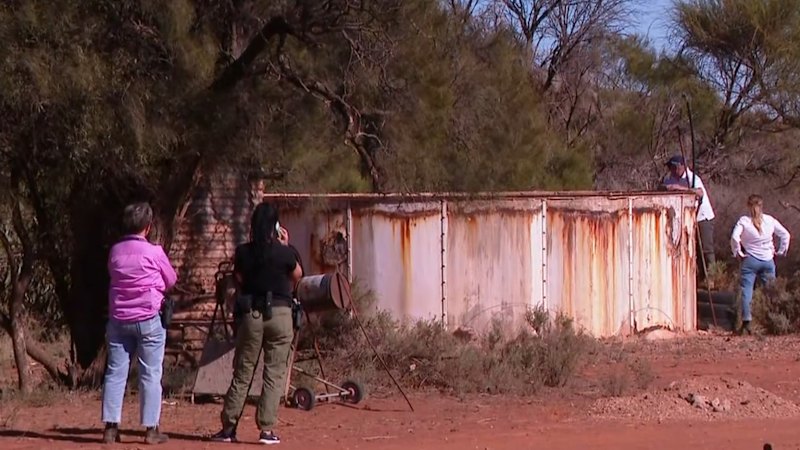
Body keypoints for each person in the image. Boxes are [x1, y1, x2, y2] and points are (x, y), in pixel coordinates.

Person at [211, 201, 303, 445]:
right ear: (275, 227)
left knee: (243, 372)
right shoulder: (285, 253)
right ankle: (266, 430)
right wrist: (286, 245)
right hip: (281, 314)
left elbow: (239, 278)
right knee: (274, 373)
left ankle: (229, 428)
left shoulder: (243, 252)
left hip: (252, 314)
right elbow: (298, 276)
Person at [102, 202, 177, 444]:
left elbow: (113, 275)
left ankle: (111, 428)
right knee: (150, 373)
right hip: (148, 318)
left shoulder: (115, 251)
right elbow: (171, 279)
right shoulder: (155, 252)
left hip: (119, 319)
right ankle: (150, 429)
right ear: (148, 227)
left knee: (115, 372)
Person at [730, 194, 791, 335]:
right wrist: (781, 251)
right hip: (768, 260)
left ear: (748, 206)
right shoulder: (769, 220)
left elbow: (734, 237)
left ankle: (746, 323)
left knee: (747, 291)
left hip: (750, 260)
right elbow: (785, 235)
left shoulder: (744, 221)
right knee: (771, 292)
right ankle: (774, 321)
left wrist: (737, 252)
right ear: (761, 206)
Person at [661, 155, 716, 275]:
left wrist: (679, 188)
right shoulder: (670, 179)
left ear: (680, 167)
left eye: (673, 167)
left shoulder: (693, 178)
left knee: (706, 248)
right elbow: (663, 189)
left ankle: (712, 276)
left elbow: (700, 192)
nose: (671, 170)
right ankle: (696, 275)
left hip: (702, 217)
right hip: (684, 218)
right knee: (690, 247)